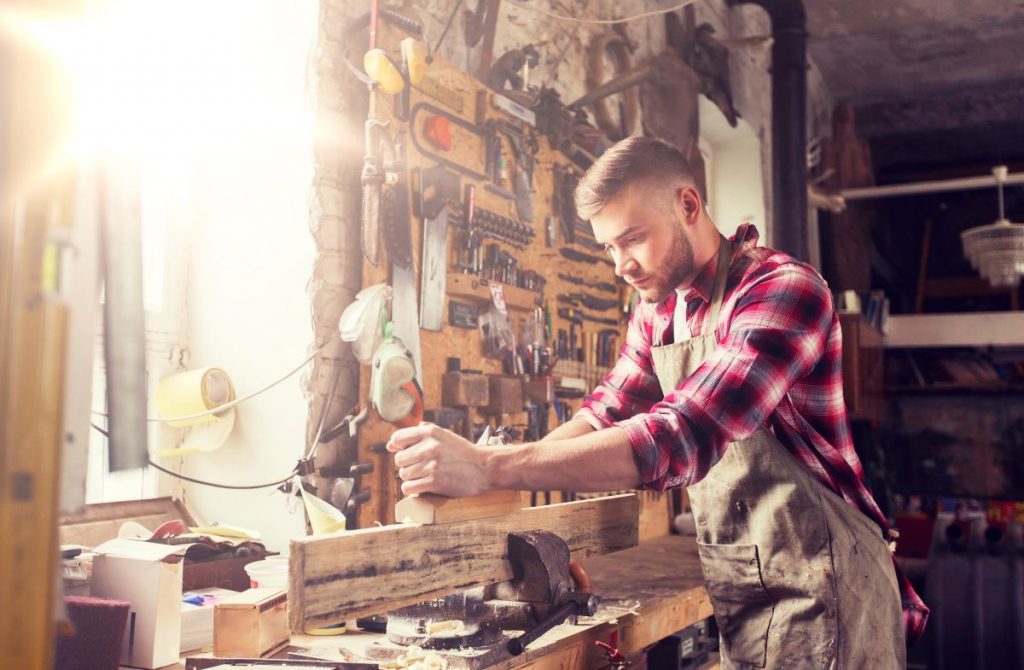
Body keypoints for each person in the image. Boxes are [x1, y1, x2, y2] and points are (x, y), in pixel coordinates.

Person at [388, 136, 927, 668]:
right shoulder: (659, 310)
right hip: (748, 591)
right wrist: (492, 488)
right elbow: (608, 410)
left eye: (633, 239)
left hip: (829, 585)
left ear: (688, 205)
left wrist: (488, 467)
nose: (620, 264)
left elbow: (680, 436)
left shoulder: (783, 290)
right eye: (607, 248)